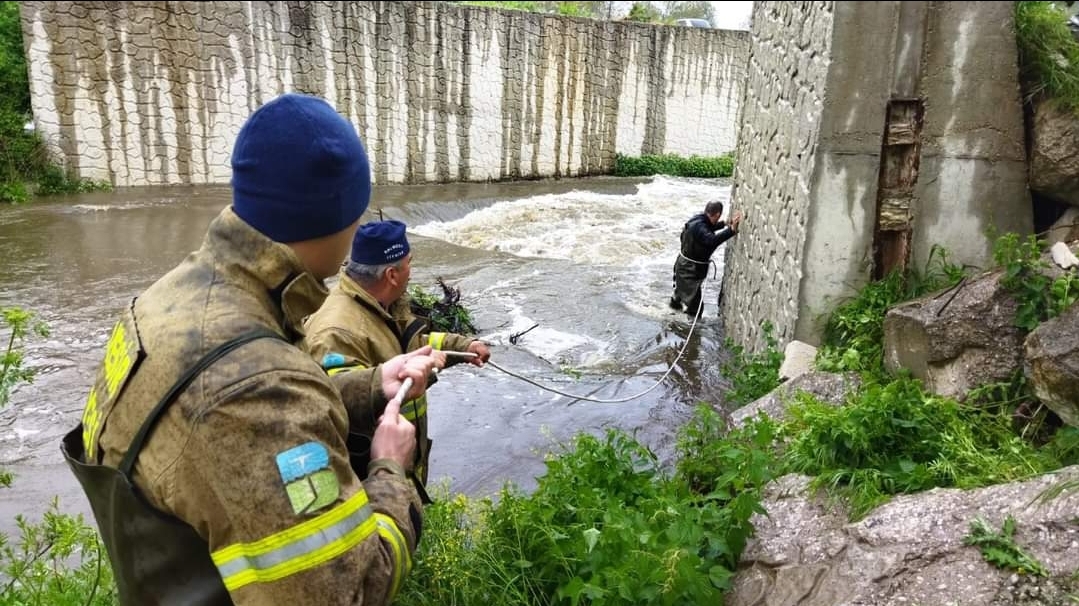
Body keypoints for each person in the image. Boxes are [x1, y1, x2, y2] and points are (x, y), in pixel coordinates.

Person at [60, 93, 441, 606]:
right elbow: (351, 589)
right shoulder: (256, 394)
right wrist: (390, 468)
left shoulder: (167, 300)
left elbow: (228, 405)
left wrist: (372, 385)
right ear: (342, 217)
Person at [304, 220, 491, 502]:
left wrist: (463, 347)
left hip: (399, 470)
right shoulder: (336, 331)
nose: (411, 273)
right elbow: (339, 400)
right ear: (392, 274)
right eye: (409, 264)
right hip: (368, 483)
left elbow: (411, 344)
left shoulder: (382, 304)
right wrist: (420, 374)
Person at [669, 200, 743, 317]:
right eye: (719, 218)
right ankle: (691, 331)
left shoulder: (698, 219)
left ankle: (672, 321)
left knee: (679, 297)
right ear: (717, 214)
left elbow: (706, 229)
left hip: (683, 265)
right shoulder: (700, 226)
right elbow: (711, 240)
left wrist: (724, 224)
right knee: (696, 306)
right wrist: (731, 230)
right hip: (689, 270)